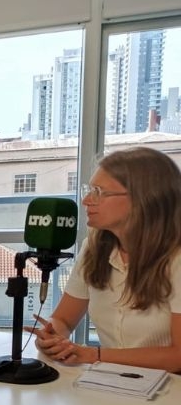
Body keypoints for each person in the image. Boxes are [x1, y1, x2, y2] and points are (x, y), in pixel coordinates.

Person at [28, 147, 181, 372]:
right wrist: (51, 336)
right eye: (89, 190)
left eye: (98, 192)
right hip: (112, 382)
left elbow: (178, 356)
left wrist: (93, 355)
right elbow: (63, 320)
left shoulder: (176, 257)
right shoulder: (94, 246)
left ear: (143, 198)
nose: (86, 201)